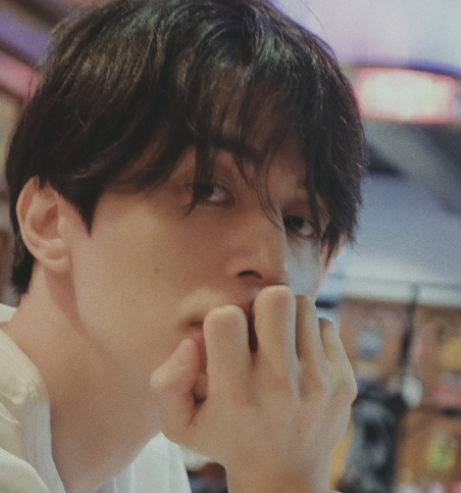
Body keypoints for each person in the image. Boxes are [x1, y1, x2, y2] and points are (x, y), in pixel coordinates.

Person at [0, 0, 366, 492]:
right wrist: (283, 476)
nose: (273, 264)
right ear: (49, 223)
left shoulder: (152, 464)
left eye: (299, 222)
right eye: (206, 189)